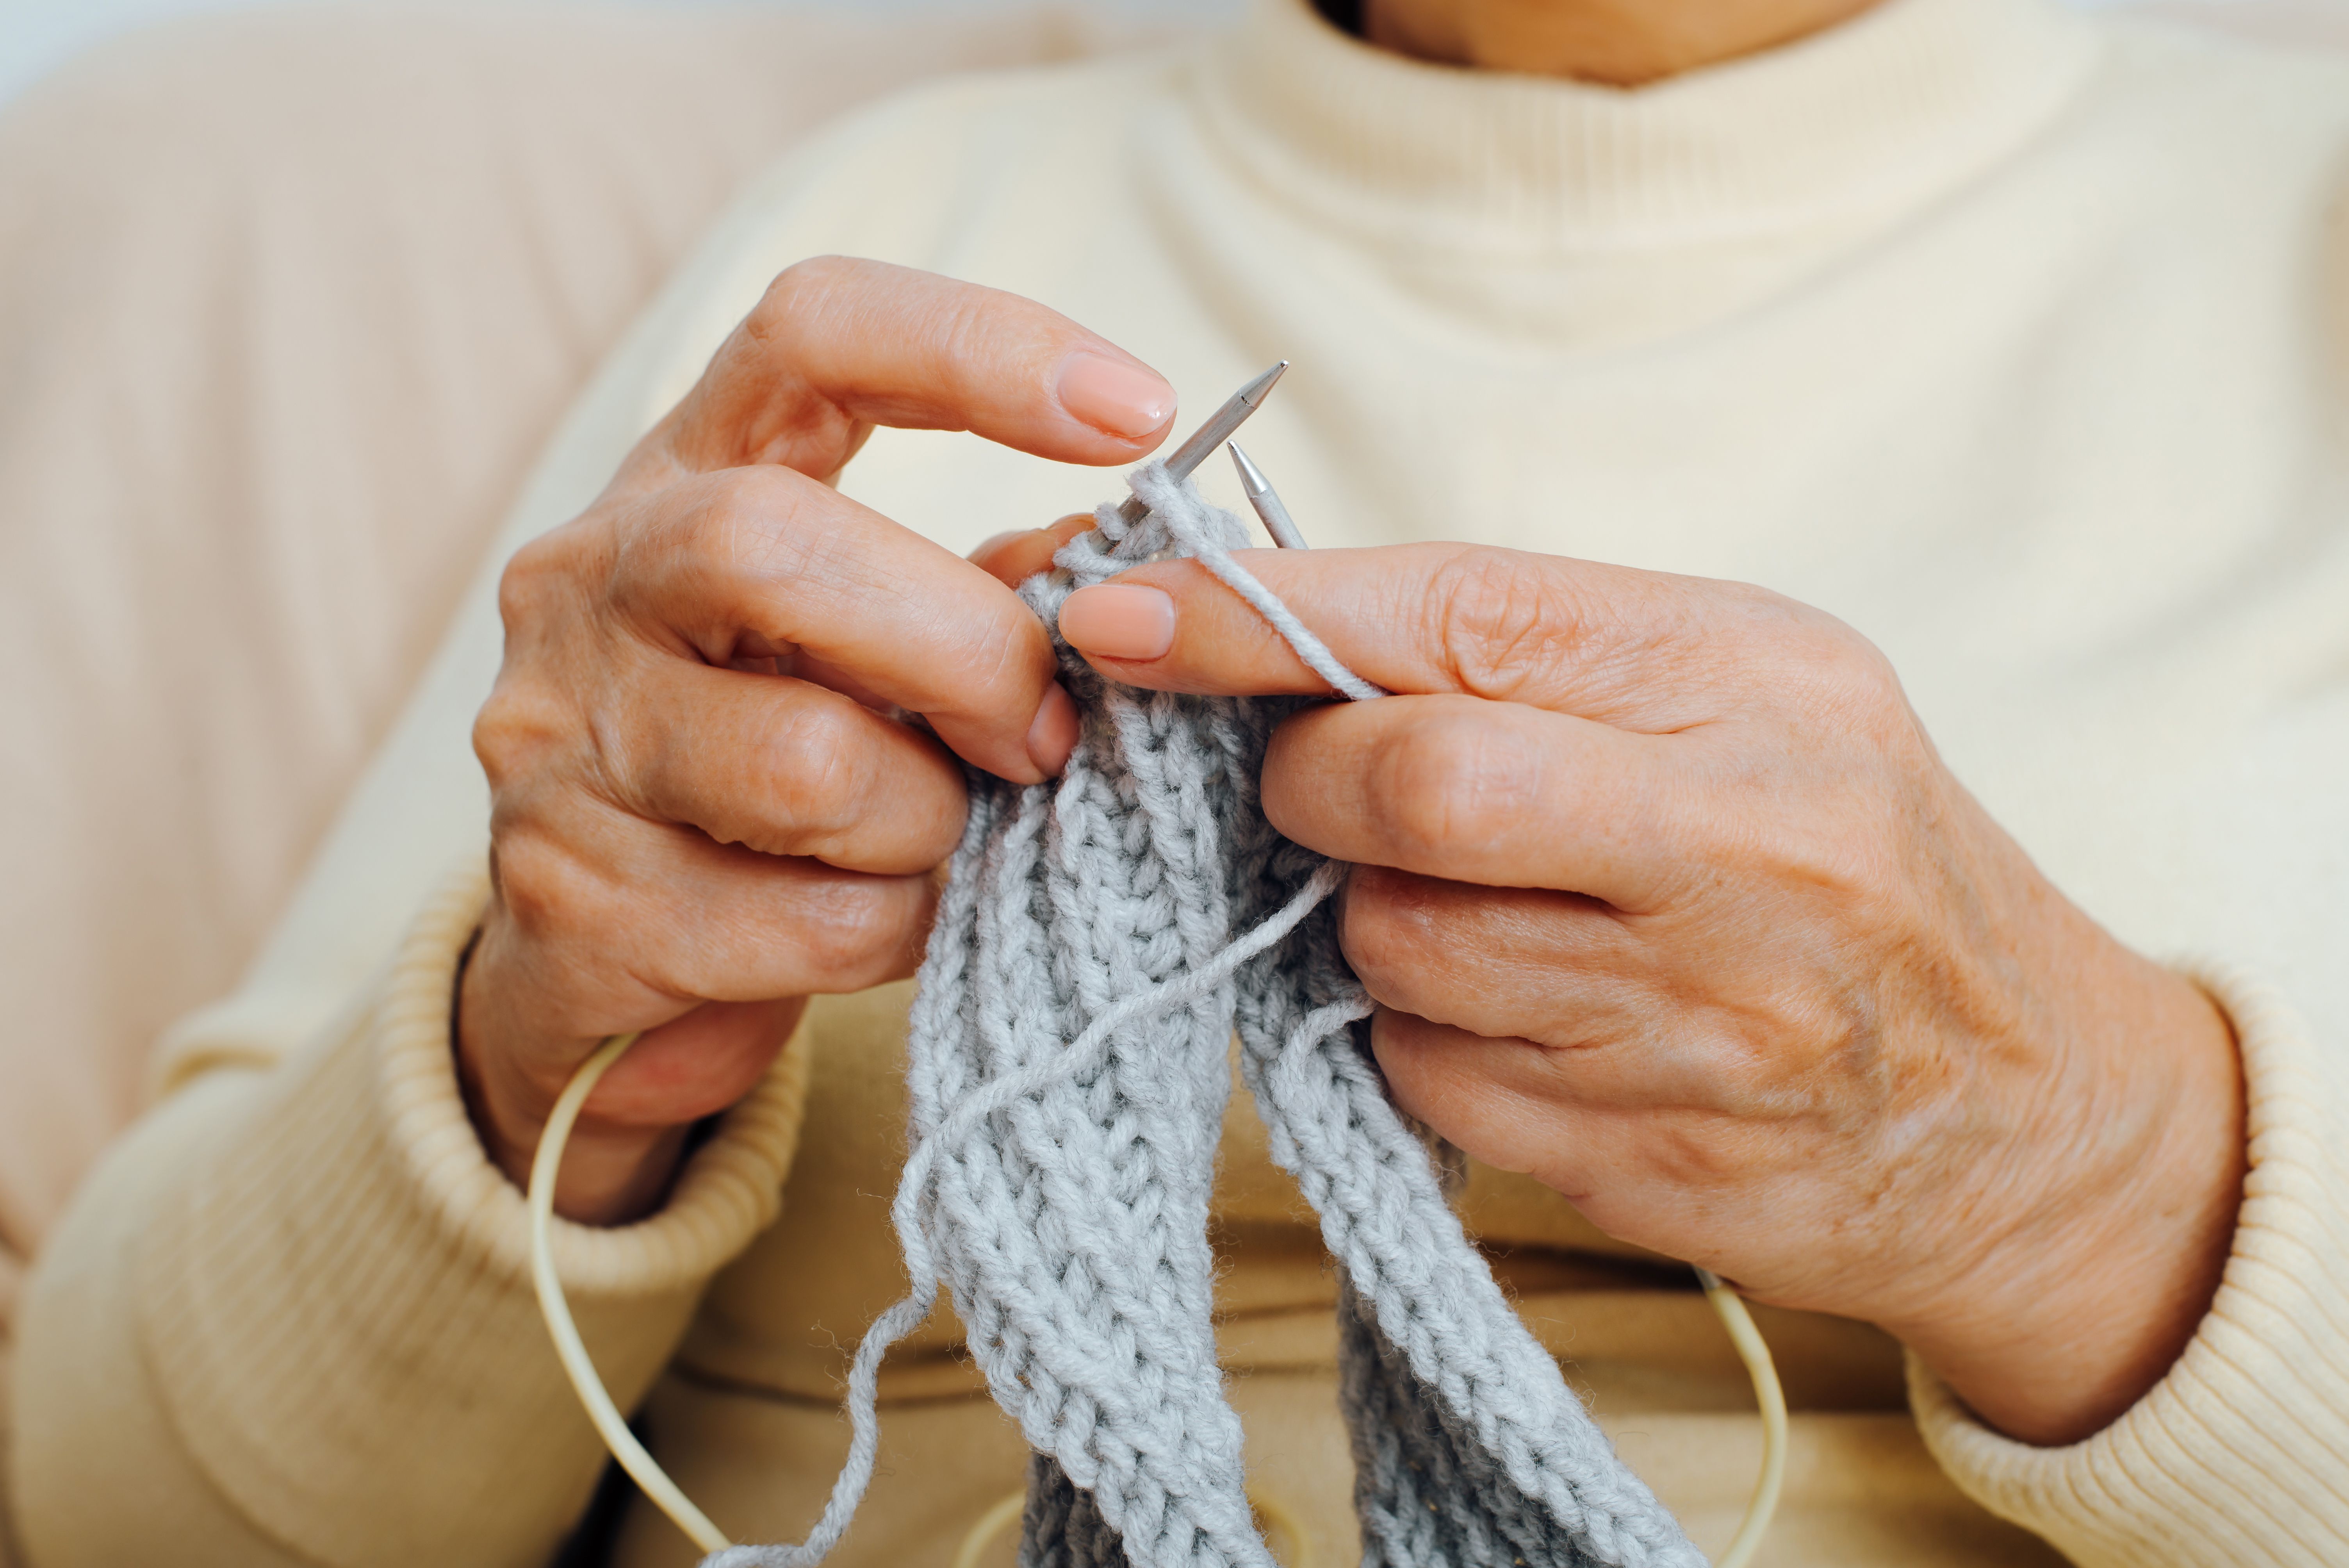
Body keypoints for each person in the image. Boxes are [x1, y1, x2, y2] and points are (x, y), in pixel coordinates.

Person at [9, 0, 2349, 1563]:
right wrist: (552, 1052)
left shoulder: (2292, 225)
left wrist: (2097, 1185)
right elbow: (113, 1519)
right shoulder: (891, 247)